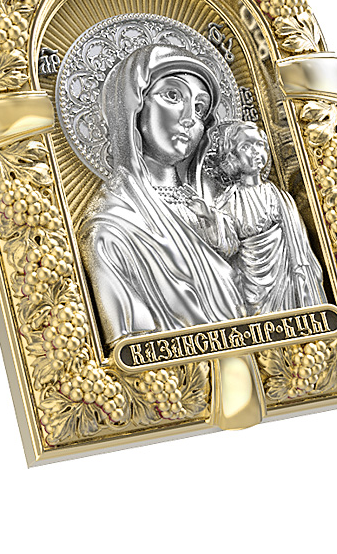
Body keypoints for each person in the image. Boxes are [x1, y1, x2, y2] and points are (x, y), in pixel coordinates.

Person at [82, 44, 246, 344]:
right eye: (173, 95)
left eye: (200, 108)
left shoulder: (211, 206)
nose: (189, 118)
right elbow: (133, 347)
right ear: (132, 105)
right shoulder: (112, 229)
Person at [213, 120, 327, 315]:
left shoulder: (279, 197)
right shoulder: (228, 201)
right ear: (232, 156)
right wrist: (208, 217)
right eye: (246, 146)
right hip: (251, 285)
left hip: (288, 278)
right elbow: (226, 249)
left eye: (259, 144)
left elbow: (299, 245)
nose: (255, 151)